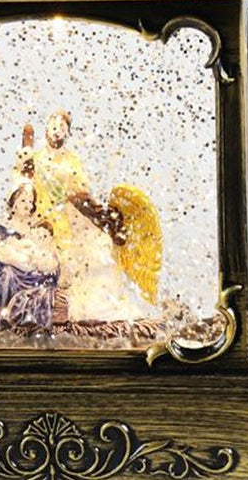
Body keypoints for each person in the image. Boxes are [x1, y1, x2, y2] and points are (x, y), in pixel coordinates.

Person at [14, 111, 159, 323]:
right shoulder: (36, 159)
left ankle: (83, 303)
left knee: (89, 255)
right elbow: (23, 181)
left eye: (62, 129)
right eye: (54, 127)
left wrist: (81, 204)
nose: (57, 132)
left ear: (67, 134)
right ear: (46, 131)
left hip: (70, 216)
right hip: (43, 216)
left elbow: (81, 189)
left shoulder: (72, 161)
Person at [0, 182, 59, 331]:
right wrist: (15, 258)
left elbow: (45, 247)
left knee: (44, 282)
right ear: (14, 204)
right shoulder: (7, 226)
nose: (27, 205)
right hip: (11, 267)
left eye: (30, 201)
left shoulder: (35, 226)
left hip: (31, 270)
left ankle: (24, 318)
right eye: (23, 200)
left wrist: (43, 261)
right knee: (7, 273)